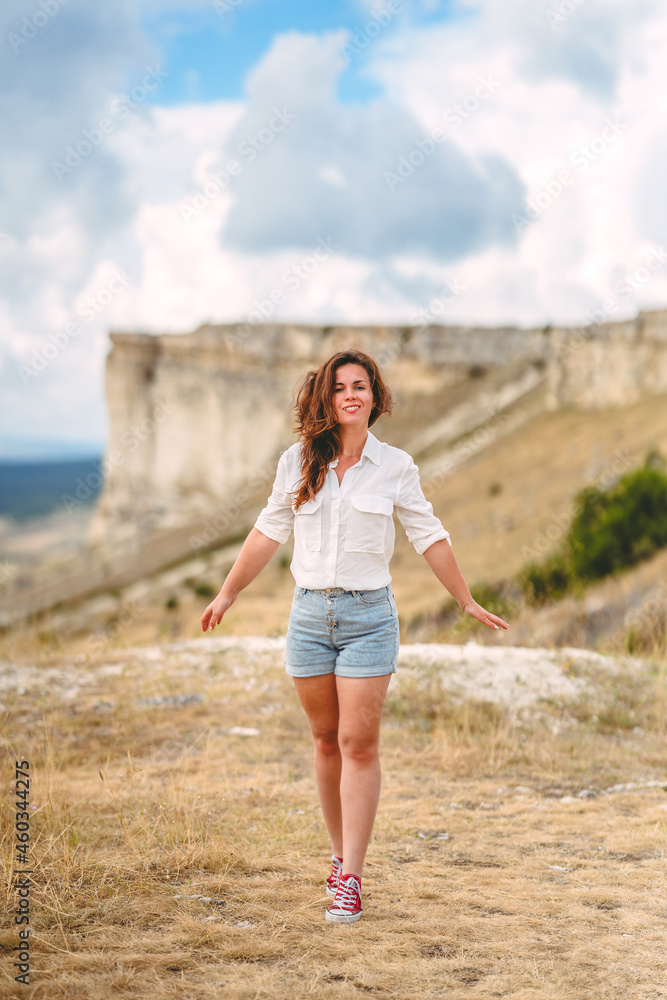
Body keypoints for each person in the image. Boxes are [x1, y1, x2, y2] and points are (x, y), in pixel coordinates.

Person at [200, 348, 510, 923]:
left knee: (358, 745)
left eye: (361, 385)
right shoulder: (296, 462)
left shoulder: (397, 467)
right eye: (340, 386)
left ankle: (352, 879)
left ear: (375, 396)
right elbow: (268, 532)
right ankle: (338, 855)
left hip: (370, 620)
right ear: (327, 396)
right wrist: (228, 593)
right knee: (324, 741)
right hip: (309, 619)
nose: (351, 394)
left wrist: (464, 600)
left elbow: (429, 536)